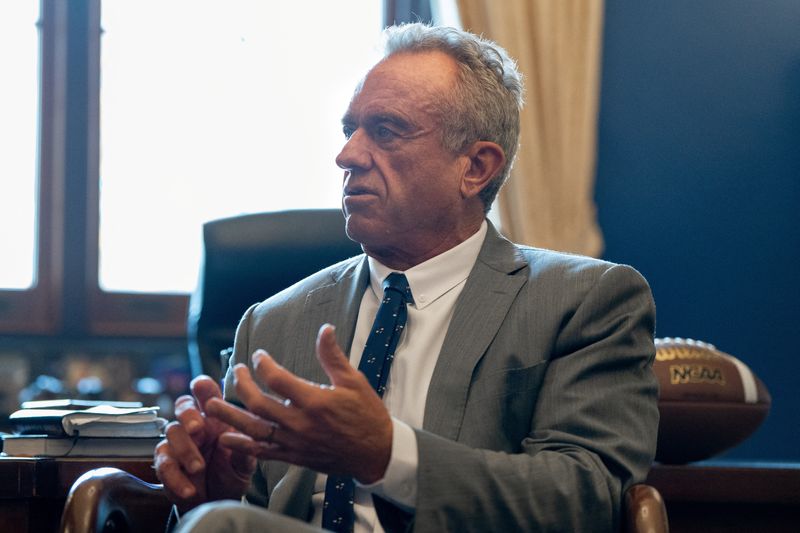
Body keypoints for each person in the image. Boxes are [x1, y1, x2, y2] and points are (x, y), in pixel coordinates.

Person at [155, 23, 659, 532]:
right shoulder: (271, 322)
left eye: (386, 130)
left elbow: (587, 497)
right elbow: (246, 513)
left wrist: (388, 455)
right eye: (349, 130)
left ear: (476, 167)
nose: (347, 155)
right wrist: (216, 491)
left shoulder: (584, 301)